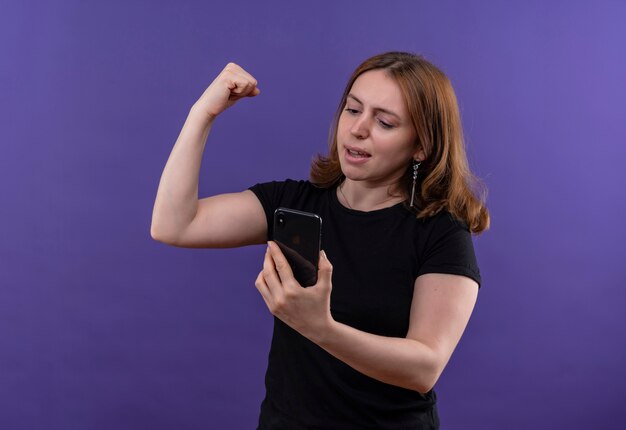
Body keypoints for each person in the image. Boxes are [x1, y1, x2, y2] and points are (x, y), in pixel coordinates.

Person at [151, 51, 489, 429]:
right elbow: (174, 225)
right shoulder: (292, 203)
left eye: (385, 122)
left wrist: (320, 328)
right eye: (352, 109)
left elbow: (424, 366)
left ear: (421, 146)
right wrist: (203, 114)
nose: (358, 129)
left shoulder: (441, 233)